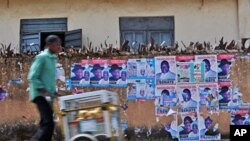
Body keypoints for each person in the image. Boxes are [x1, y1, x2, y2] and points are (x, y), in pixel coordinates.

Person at [28, 35, 62, 141]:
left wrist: (54, 92)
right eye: (57, 44)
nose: (59, 47)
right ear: (50, 45)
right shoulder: (41, 57)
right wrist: (43, 90)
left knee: (47, 123)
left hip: (48, 95)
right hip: (39, 94)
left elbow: (48, 79)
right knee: (48, 123)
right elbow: (32, 77)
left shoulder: (53, 59)